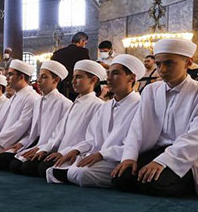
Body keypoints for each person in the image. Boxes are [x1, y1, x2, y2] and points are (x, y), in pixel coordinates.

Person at [112, 39, 198, 196]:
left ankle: (191, 185)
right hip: (155, 150)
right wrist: (129, 157)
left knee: (154, 183)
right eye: (158, 64)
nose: (162, 69)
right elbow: (137, 127)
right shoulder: (150, 90)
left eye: (169, 63)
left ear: (188, 63)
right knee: (121, 178)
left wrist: (163, 161)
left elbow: (195, 136)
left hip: (187, 156)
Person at [46, 55, 144, 186]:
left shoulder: (140, 105)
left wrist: (102, 154)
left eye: (115, 73)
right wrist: (76, 150)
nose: (108, 78)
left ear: (132, 78)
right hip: (97, 155)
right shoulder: (106, 106)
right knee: (53, 169)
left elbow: (135, 144)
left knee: (82, 173)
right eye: (108, 73)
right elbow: (91, 138)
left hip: (118, 158)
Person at [12, 60, 105, 177]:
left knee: (38, 168)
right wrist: (45, 149)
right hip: (58, 148)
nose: (73, 81)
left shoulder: (97, 105)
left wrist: (64, 152)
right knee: (22, 165)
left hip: (76, 152)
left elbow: (91, 139)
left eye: (78, 77)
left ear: (93, 80)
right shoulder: (76, 102)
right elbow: (59, 132)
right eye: (73, 77)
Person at [0, 60, 71, 171]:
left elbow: (60, 134)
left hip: (51, 147)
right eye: (39, 76)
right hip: (34, 143)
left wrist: (42, 148)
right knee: (2, 161)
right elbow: (33, 131)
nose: (39, 80)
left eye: (44, 77)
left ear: (55, 80)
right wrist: (22, 143)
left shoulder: (64, 104)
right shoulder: (39, 101)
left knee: (24, 167)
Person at [51, 32, 90, 98]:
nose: (84, 45)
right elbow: (86, 68)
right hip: (75, 88)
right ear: (81, 41)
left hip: (59, 87)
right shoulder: (83, 52)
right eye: (85, 43)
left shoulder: (57, 53)